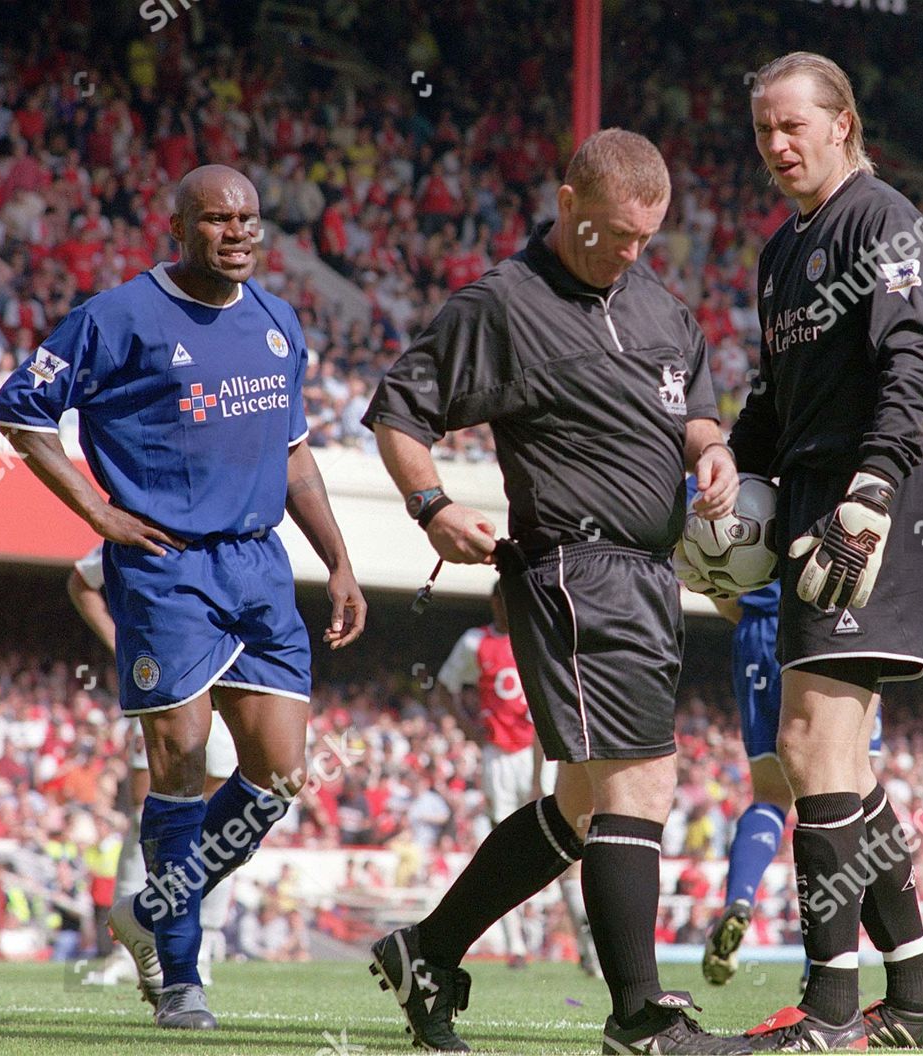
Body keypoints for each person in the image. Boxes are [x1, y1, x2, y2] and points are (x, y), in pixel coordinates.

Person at [362, 128, 750, 1055]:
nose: (630, 253)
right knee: (640, 782)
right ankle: (639, 1021)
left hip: (653, 577)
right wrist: (431, 506)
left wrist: (714, 451)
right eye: (615, 233)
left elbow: (694, 406)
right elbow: (399, 412)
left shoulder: (658, 302)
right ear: (569, 200)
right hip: (576, 572)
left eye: (646, 239)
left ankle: (427, 951)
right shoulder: (502, 304)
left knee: (583, 806)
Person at [0, 164, 366, 1030]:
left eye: (249, 220)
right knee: (183, 763)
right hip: (167, 569)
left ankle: (154, 910)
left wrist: (338, 560)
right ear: (178, 228)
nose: (237, 233)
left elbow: (295, 456)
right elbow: (21, 409)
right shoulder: (116, 316)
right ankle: (182, 977)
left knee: (276, 777)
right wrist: (97, 509)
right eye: (217, 220)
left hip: (260, 567)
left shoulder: (278, 320)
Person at [725, 52, 923, 1049]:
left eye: (793, 127)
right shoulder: (783, 254)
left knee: (812, 742)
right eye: (765, 131)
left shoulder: (882, 221)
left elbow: (918, 363)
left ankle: (826, 1007)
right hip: (809, 499)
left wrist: (869, 493)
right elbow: (774, 405)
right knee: (842, 767)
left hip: (872, 501)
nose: (778, 146)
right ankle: (916, 1004)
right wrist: (723, 489)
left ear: (843, 123)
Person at [67, 542, 239, 990]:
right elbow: (83, 582)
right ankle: (131, 946)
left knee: (216, 821)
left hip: (227, 695)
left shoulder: (242, 520)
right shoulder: (142, 519)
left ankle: (201, 944)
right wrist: (121, 644)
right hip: (164, 684)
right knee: (148, 815)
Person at [700, 581, 883, 990]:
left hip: (762, 632)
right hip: (840, 630)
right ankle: (823, 959)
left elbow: (720, 587)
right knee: (847, 799)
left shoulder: (734, 511)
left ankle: (740, 899)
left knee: (769, 796)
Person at [435, 581, 598, 975]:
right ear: (494, 601)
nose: (510, 607)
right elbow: (444, 688)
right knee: (501, 845)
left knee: (564, 842)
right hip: (499, 757)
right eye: (505, 599)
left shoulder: (542, 639)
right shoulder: (477, 641)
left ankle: (587, 945)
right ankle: (517, 946)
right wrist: (469, 727)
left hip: (541, 750)